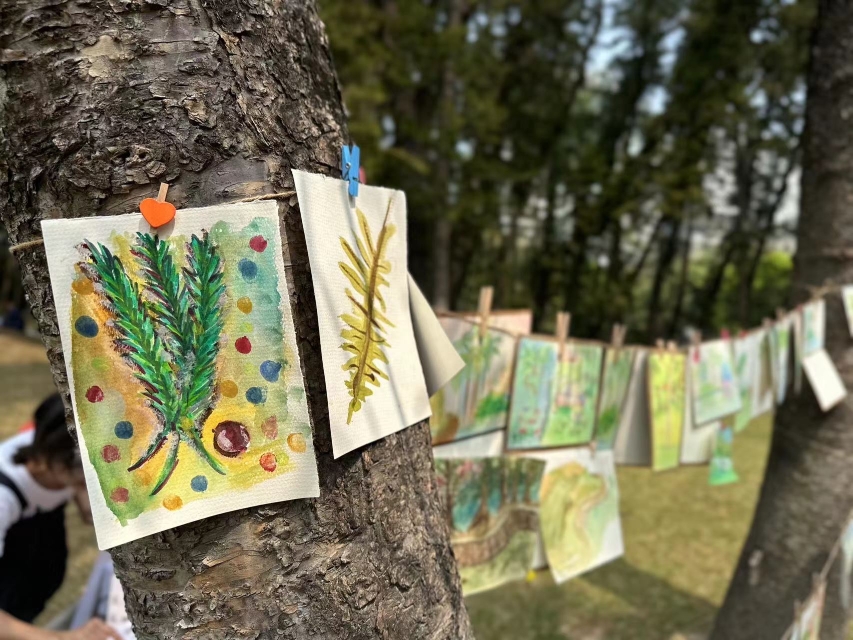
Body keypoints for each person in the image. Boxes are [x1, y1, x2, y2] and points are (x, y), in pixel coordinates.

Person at [0, 394, 119, 640]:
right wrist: (63, 638)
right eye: (84, 480)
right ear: (51, 463)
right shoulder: (4, 498)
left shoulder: (64, 445)